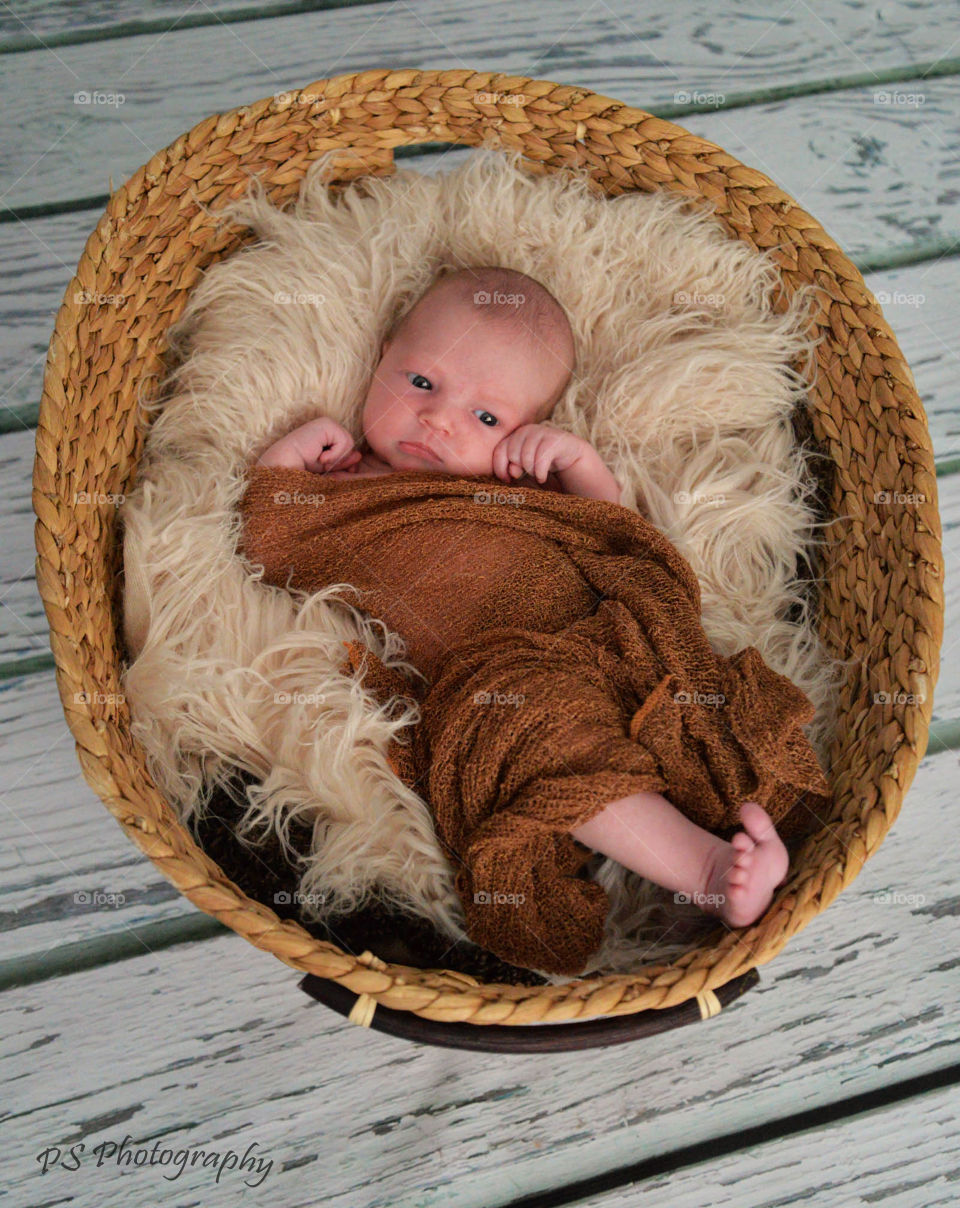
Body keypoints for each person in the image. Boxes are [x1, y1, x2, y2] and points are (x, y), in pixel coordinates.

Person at [249, 263, 795, 943]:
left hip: (597, 636)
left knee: (703, 710)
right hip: (502, 678)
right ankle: (707, 869)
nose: (440, 421)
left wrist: (580, 466)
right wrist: (284, 460)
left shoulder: (520, 487)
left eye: (485, 416)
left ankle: (755, 812)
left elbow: (615, 536)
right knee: (546, 733)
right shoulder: (346, 490)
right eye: (422, 382)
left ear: (524, 429)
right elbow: (268, 540)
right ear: (383, 352)